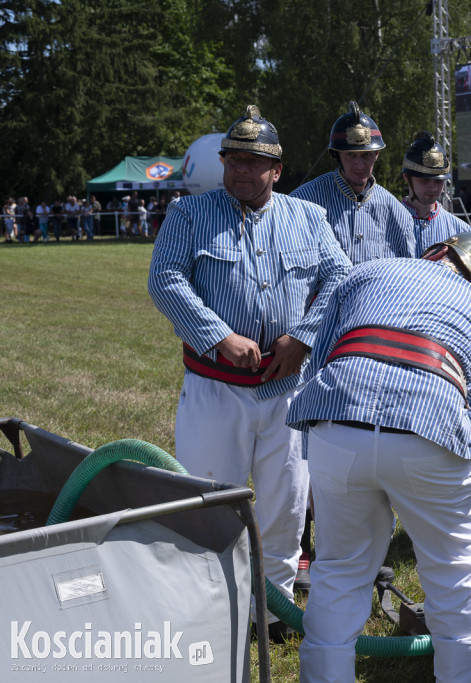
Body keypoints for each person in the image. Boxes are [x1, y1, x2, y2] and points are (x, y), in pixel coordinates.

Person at [148, 105, 351, 642]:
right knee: (210, 500)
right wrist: (218, 334)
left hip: (287, 393)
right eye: (233, 160)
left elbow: (339, 278)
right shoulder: (189, 215)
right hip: (216, 391)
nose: (240, 170)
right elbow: (164, 279)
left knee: (286, 505)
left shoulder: (308, 218)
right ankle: (211, 607)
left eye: (253, 162)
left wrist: (305, 336)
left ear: (277, 170)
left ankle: (273, 611)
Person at [287, 232, 471, 683]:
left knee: (338, 572)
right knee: (452, 577)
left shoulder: (367, 272)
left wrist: (315, 461)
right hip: (430, 430)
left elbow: (321, 360)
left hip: (339, 421)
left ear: (435, 252)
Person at [292, 101, 415, 264]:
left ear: (377, 154)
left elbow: (407, 276)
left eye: (366, 155)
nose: (359, 165)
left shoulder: (399, 215)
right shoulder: (303, 202)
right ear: (336, 155)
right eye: (351, 155)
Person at [401, 131, 471, 255]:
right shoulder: (386, 223)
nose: (433, 187)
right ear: (407, 176)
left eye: (439, 180)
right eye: (425, 179)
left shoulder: (462, 232)